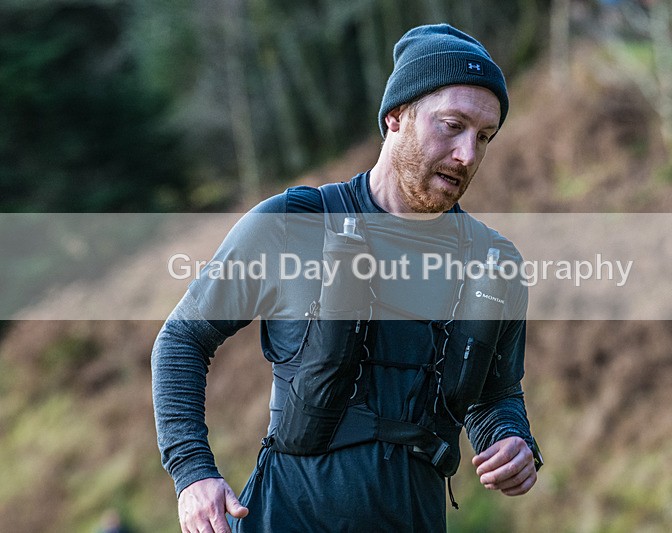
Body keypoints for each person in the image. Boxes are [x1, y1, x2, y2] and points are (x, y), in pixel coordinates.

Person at [152, 23, 543, 533]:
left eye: (484, 137)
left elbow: (495, 396)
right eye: (452, 125)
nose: (468, 154)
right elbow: (182, 338)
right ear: (395, 117)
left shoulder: (496, 264)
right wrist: (191, 473)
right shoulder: (294, 223)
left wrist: (513, 440)